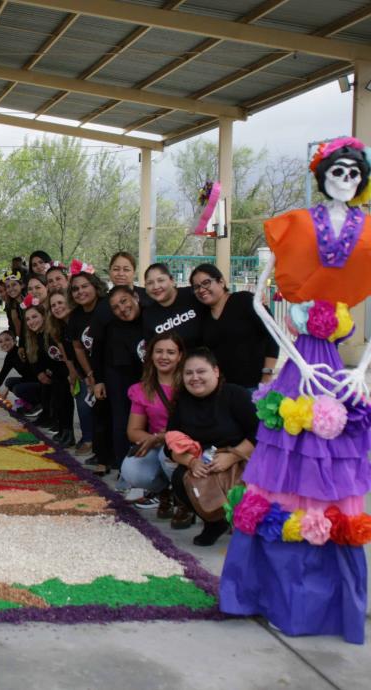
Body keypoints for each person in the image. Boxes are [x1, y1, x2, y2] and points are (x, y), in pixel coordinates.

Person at [220, 136, 371, 644]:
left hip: (338, 373)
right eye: (338, 171)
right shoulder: (294, 224)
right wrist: (295, 355)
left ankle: (328, 598)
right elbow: (259, 300)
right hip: (300, 367)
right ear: (322, 174)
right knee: (284, 467)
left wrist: (363, 366)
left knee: (333, 476)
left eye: (354, 173)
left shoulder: (369, 229)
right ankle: (272, 591)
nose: (345, 180)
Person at [165, 348, 256, 546]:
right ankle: (214, 522)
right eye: (188, 373)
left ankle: (245, 521)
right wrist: (192, 462)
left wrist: (232, 457)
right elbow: (170, 444)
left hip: (240, 458)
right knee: (180, 477)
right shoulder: (181, 401)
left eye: (201, 371)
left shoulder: (235, 394)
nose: (194, 378)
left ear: (215, 371)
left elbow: (258, 433)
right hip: (203, 462)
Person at [119, 333, 184, 516]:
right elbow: (133, 431)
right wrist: (158, 439)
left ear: (180, 356)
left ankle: (184, 499)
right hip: (157, 444)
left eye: (170, 352)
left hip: (186, 446)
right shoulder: (142, 389)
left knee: (169, 453)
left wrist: (168, 438)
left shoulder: (189, 384)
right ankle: (164, 492)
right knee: (132, 469)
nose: (164, 357)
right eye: (159, 351)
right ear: (151, 355)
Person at [190, 263, 278, 390]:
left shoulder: (245, 300)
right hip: (221, 389)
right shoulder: (202, 315)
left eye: (206, 283)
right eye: (197, 287)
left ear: (221, 282)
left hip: (254, 386)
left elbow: (273, 335)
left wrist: (267, 375)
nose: (201, 289)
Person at [91, 286, 146, 466]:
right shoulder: (110, 325)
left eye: (124, 301)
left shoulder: (150, 317)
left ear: (135, 297)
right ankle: (124, 466)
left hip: (149, 377)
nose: (122, 309)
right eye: (115, 307)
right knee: (121, 421)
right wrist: (99, 380)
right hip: (119, 375)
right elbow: (96, 351)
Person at [67, 270, 113, 470]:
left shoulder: (107, 306)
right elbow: (78, 348)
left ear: (95, 286)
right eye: (75, 289)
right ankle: (102, 455)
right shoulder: (76, 316)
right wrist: (90, 373)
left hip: (114, 367)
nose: (80, 292)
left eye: (85, 286)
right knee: (99, 411)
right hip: (95, 372)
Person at [142, 263, 205, 348]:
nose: (156, 286)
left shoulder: (193, 295)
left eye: (161, 280)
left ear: (172, 280)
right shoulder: (148, 314)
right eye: (150, 283)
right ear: (145, 287)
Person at [47, 288, 81, 448]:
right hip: (73, 368)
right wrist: (71, 374)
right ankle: (66, 431)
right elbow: (66, 354)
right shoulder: (58, 326)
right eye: (53, 305)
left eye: (60, 303)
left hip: (87, 370)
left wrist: (77, 373)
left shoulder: (77, 322)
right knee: (60, 393)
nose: (57, 307)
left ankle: (85, 438)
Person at [0, 330, 37, 412]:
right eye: (1, 341)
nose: (4, 343)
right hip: (31, 380)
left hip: (41, 382)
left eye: (7, 339)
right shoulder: (9, 357)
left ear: (15, 341)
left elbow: (34, 373)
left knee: (17, 389)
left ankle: (36, 403)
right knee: (9, 381)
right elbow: (0, 379)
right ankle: (30, 399)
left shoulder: (22, 351)